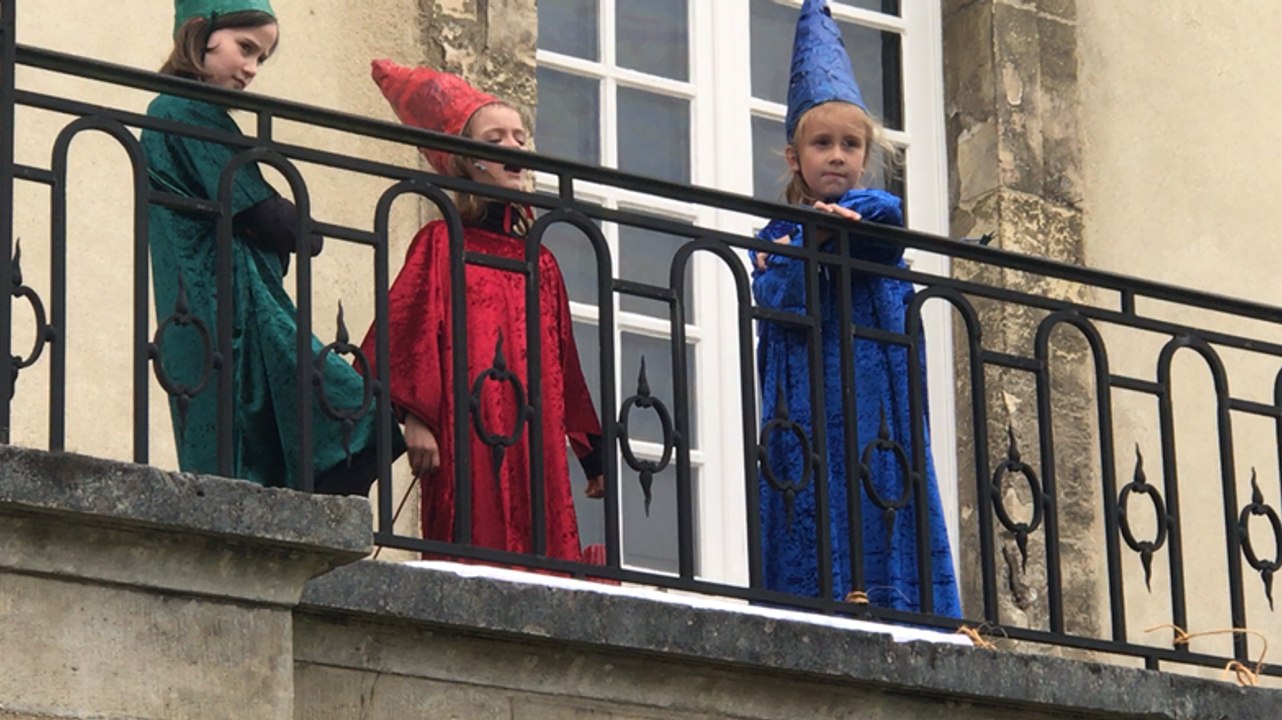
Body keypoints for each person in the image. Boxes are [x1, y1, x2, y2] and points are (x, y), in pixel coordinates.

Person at [751, 0, 961, 615]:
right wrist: (809, 240)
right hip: (806, 399)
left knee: (884, 491)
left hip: (879, 400)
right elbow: (780, 297)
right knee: (811, 498)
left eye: (850, 144)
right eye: (822, 143)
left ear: (866, 158)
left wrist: (832, 229)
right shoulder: (773, 237)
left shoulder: (872, 211)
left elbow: (884, 219)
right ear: (795, 158)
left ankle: (898, 599)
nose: (837, 155)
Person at [142, 0, 400, 494]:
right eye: (245, 48)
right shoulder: (179, 109)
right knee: (321, 401)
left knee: (251, 412)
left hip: (216, 293)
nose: (251, 69)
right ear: (201, 33)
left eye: (260, 57)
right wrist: (301, 226)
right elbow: (264, 214)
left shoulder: (184, 111)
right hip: (222, 293)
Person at [362, 59, 604, 561]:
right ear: (467, 160)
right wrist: (417, 419)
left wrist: (591, 450)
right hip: (465, 429)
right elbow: (409, 334)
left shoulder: (541, 259)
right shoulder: (440, 242)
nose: (515, 149)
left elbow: (564, 364)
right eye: (495, 140)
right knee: (471, 537)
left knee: (540, 539)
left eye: (519, 138)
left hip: (532, 430)